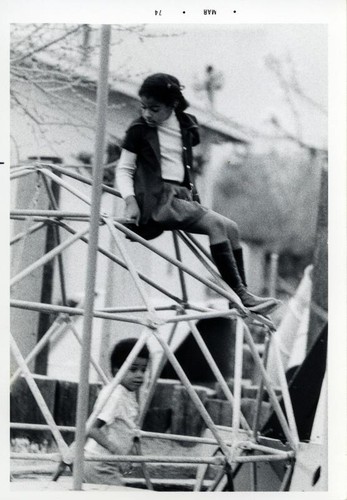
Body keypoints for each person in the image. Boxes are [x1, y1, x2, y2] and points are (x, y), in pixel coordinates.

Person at [116, 72, 280, 315]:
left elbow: (184, 164)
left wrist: (192, 196)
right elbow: (124, 168)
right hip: (157, 200)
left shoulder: (185, 125)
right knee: (215, 226)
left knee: (231, 227)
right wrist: (130, 201)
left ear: (172, 105)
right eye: (144, 108)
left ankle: (241, 295)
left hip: (181, 196)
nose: (148, 114)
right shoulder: (139, 129)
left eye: (154, 108)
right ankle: (240, 296)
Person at [83, 338, 150, 485]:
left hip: (107, 462)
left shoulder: (127, 393)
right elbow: (91, 428)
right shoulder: (115, 394)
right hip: (99, 463)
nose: (139, 375)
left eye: (143, 370)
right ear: (116, 370)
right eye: (133, 369)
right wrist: (116, 451)